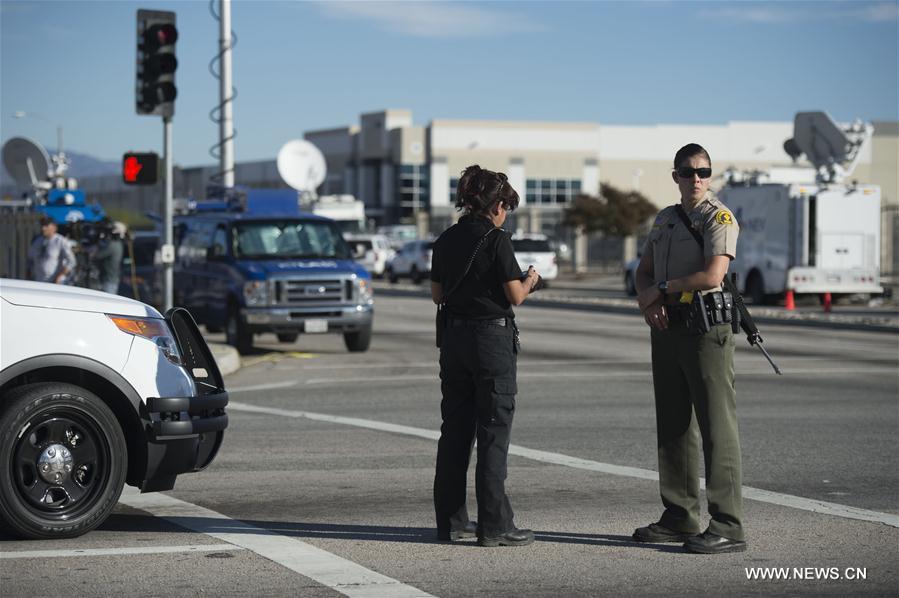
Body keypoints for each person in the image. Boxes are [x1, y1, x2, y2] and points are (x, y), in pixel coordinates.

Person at [632, 143, 745, 554]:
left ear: (709, 175)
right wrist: (648, 298)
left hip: (704, 329)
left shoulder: (719, 216)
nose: (695, 178)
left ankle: (728, 525)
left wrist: (662, 289)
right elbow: (643, 270)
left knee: (717, 427)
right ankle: (680, 515)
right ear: (675, 175)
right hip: (667, 328)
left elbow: (714, 273)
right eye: (687, 171)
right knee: (674, 424)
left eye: (703, 171)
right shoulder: (664, 219)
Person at [431, 164, 540, 547]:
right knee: (493, 432)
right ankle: (495, 525)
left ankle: (451, 522)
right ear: (495, 205)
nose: (506, 213)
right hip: (491, 341)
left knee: (455, 434)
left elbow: (437, 294)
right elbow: (514, 296)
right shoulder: (497, 240)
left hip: (455, 341)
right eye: (506, 205)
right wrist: (530, 279)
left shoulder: (445, 239)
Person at [27, 216, 76, 285]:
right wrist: (29, 274)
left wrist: (60, 276)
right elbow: (30, 259)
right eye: (42, 225)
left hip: (54, 282)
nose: (43, 228)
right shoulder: (37, 241)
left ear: (54, 227)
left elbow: (71, 261)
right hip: (38, 281)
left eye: (46, 226)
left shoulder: (60, 241)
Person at [93, 221, 126, 295]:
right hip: (110, 280)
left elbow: (96, 256)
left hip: (108, 281)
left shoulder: (112, 245)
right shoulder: (118, 244)